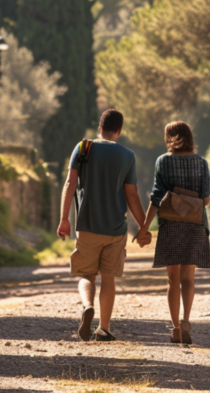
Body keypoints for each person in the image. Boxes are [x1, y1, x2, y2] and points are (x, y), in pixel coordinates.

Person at [57, 109, 151, 342]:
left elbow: (70, 183)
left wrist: (64, 219)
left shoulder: (83, 147)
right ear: (119, 131)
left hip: (87, 225)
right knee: (108, 277)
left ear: (100, 128)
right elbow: (132, 195)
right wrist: (143, 227)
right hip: (115, 228)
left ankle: (88, 306)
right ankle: (104, 328)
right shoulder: (128, 156)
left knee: (86, 275)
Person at [137, 121, 210, 344]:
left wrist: (144, 228)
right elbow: (206, 199)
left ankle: (176, 328)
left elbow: (156, 199)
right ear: (189, 137)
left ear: (170, 137)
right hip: (194, 224)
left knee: (173, 280)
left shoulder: (163, 161)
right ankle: (187, 319)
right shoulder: (201, 162)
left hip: (170, 224)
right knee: (188, 278)